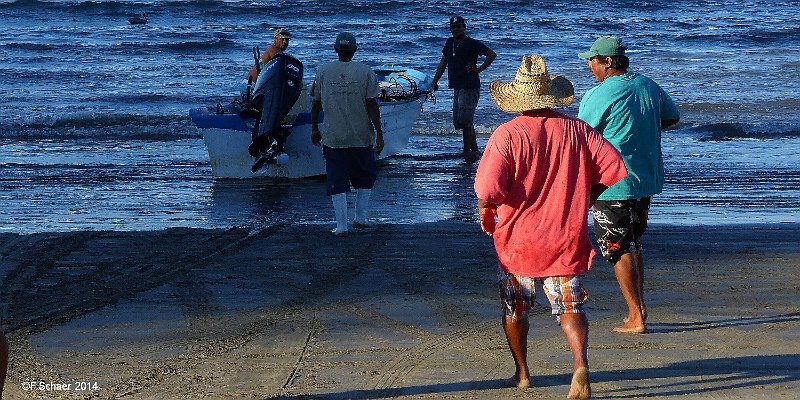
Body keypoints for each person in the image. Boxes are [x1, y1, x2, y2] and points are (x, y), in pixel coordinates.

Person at [475, 55, 628, 399]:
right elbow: (615, 166)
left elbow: (487, 189)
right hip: (565, 236)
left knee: (515, 308)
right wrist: (588, 195)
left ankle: (523, 373)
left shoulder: (508, 134)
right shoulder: (577, 130)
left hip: (519, 239)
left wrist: (486, 210)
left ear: (517, 100)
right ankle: (580, 365)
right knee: (571, 308)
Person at [577, 36, 680, 334]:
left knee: (618, 248)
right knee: (633, 244)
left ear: (607, 62)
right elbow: (672, 117)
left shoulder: (598, 94)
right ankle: (639, 307)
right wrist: (641, 126)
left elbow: (581, 136)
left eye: (593, 60)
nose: (589, 65)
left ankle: (636, 315)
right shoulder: (647, 85)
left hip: (611, 183)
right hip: (645, 179)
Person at [311, 32, 384, 236]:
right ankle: (360, 217)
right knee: (365, 176)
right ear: (355, 50)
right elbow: (372, 105)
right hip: (361, 135)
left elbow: (316, 102)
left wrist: (314, 128)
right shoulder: (365, 71)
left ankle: (342, 225)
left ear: (336, 50)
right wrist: (379, 133)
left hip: (334, 136)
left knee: (337, 179)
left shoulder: (323, 71)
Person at [430, 15, 496, 161]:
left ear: (464, 27)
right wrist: (435, 80)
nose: (455, 29)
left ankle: (467, 152)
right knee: (461, 122)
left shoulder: (472, 43)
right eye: (453, 27)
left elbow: (491, 54)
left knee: (465, 121)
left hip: (470, 86)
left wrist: (479, 69)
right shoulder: (449, 43)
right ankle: (474, 150)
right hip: (457, 86)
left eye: (458, 26)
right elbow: (443, 62)